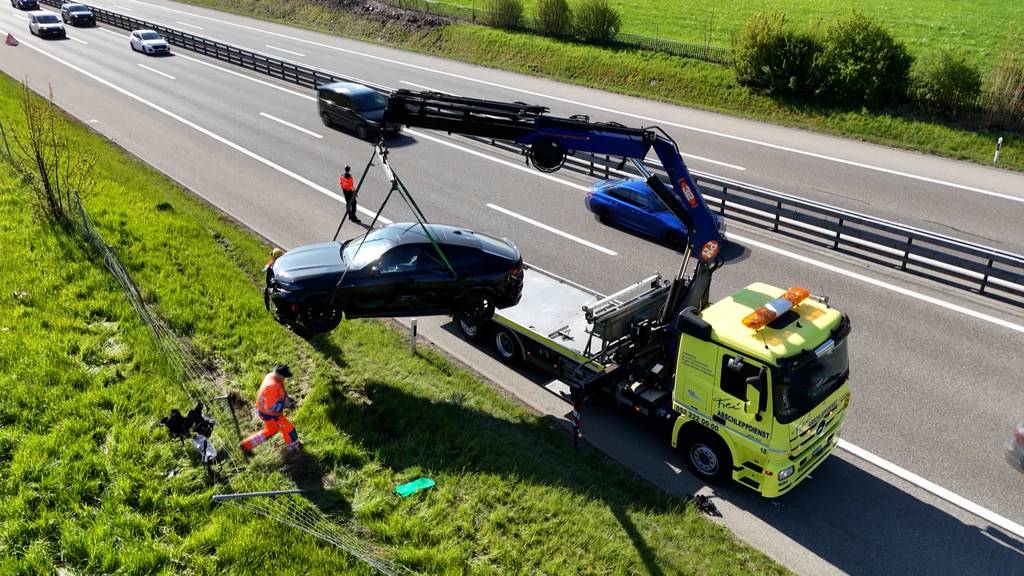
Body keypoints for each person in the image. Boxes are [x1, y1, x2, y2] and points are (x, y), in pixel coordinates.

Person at [240, 364, 300, 454]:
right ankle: (293, 449)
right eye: (284, 377)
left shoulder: (273, 376)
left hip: (264, 411)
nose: (284, 379)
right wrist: (285, 405)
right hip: (270, 414)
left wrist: (286, 397)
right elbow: (270, 407)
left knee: (272, 429)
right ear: (280, 375)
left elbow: (280, 388)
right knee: (289, 429)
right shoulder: (271, 386)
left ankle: (246, 445)